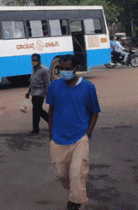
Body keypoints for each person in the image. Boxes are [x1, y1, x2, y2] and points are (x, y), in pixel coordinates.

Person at [46, 54, 100, 210]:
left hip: (79, 138)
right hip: (58, 138)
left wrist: (87, 134)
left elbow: (94, 112)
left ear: (76, 68)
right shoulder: (54, 86)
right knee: (62, 175)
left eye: (68, 69)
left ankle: (75, 203)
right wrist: (51, 134)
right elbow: (50, 111)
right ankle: (76, 195)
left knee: (77, 174)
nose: (64, 71)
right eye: (61, 69)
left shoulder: (88, 87)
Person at [25, 53, 50, 135]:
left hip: (40, 93)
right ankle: (52, 122)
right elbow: (32, 81)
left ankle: (36, 130)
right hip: (34, 93)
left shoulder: (44, 70)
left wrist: (48, 95)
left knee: (36, 111)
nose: (33, 61)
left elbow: (47, 83)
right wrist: (29, 91)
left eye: (35, 60)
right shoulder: (34, 69)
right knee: (38, 111)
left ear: (39, 60)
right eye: (32, 60)